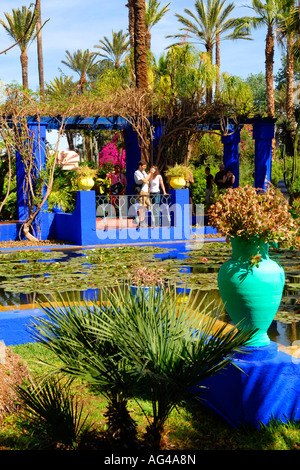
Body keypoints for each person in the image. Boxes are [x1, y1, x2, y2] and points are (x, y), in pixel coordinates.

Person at [134, 161, 151, 227]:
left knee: (146, 206)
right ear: (140, 166)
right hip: (141, 191)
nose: (145, 168)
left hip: (146, 191)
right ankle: (141, 221)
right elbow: (144, 180)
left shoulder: (143, 172)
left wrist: (151, 173)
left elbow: (148, 179)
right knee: (142, 206)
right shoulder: (137, 172)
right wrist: (150, 174)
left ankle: (143, 220)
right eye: (144, 166)